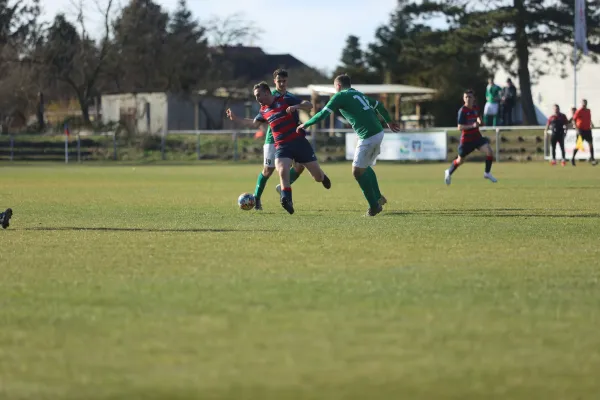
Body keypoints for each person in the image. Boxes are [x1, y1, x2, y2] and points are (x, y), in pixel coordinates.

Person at [297, 74, 401, 217]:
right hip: (378, 131)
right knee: (365, 167)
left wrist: (305, 124)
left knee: (357, 171)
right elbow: (379, 105)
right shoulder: (358, 94)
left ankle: (374, 206)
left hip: (368, 135)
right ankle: (377, 197)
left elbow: (322, 114)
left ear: (338, 86)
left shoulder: (340, 96)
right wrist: (388, 121)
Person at [226, 82, 331, 215]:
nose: (257, 99)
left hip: (299, 142)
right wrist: (236, 118)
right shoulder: (263, 110)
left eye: (258, 95)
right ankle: (286, 199)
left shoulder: (285, 99)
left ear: (267, 92)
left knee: (317, 177)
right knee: (282, 169)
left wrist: (296, 106)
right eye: (255, 96)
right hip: (282, 145)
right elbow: (254, 124)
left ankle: (322, 176)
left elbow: (309, 105)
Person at [252, 69, 311, 210]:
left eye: (284, 81)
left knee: (300, 165)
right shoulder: (268, 96)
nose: (282, 83)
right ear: (274, 82)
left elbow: (305, 107)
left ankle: (283, 188)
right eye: (279, 81)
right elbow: (260, 117)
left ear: (287, 81)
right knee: (268, 171)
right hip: (273, 139)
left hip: (291, 138)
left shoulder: (290, 96)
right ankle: (256, 198)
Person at [445, 89, 498, 185]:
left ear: (474, 98)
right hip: (466, 141)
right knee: (460, 161)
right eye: (466, 97)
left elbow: (479, 118)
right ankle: (448, 172)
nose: (468, 99)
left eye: (470, 97)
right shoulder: (462, 111)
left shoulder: (476, 108)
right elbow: (459, 127)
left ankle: (487, 173)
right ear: (463, 99)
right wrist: (472, 126)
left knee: (489, 151)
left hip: (477, 138)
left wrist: (480, 122)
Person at [571, 99, 596, 166]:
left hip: (588, 130)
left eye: (585, 103)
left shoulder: (588, 111)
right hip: (581, 130)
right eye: (583, 103)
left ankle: (592, 159)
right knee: (579, 145)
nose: (584, 104)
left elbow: (589, 118)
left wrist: (591, 123)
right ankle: (573, 158)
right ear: (581, 104)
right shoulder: (579, 111)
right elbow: (574, 120)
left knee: (591, 144)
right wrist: (576, 128)